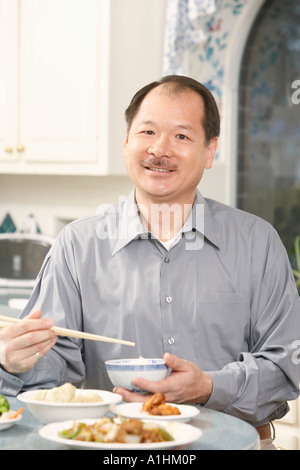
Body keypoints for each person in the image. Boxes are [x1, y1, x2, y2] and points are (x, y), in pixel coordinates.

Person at [0, 76, 299, 447]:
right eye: (147, 132)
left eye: (182, 136)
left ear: (210, 151)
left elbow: (287, 364)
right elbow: (52, 372)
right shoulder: (77, 245)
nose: (160, 149)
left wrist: (209, 386)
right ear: (126, 143)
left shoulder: (257, 243)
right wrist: (13, 363)